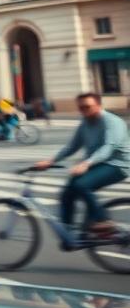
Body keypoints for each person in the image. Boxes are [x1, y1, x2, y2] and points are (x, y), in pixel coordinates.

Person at [33, 92, 129, 238]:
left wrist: (86, 163)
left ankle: (103, 221)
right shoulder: (85, 123)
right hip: (98, 163)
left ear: (98, 105)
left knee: (82, 185)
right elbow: (72, 147)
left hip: (118, 165)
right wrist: (51, 161)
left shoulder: (112, 122)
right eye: (81, 108)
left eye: (87, 107)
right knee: (68, 191)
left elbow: (108, 148)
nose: (84, 110)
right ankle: (69, 232)